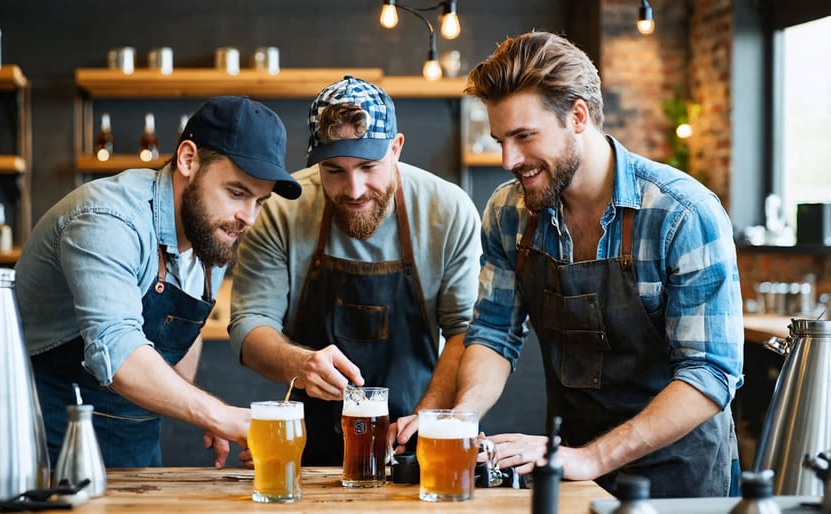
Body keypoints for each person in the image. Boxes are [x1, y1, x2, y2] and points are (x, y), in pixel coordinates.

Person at [450, 32, 744, 498]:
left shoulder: (683, 213)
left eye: (524, 137)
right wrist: (461, 422)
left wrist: (591, 457)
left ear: (578, 116)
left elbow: (710, 373)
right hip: (569, 472)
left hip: (678, 479)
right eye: (500, 140)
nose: (507, 160)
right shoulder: (510, 213)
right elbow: (493, 332)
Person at [15, 96, 302, 468]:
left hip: (136, 449)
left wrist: (198, 407)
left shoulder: (209, 232)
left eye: (259, 202)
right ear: (188, 160)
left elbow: (178, 337)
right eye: (236, 192)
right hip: (46, 444)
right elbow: (117, 352)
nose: (247, 217)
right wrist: (217, 414)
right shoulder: (107, 219)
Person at [228, 76, 482, 465]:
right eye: (334, 170)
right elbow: (249, 324)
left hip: (412, 445)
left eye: (368, 166)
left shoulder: (446, 210)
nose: (354, 188)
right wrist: (299, 363)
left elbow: (464, 329)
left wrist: (429, 416)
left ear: (396, 149)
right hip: (305, 446)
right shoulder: (281, 210)